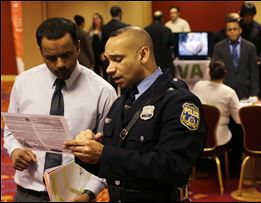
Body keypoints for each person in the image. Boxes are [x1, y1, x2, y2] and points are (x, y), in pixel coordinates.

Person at [64, 26, 207, 202]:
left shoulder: (178, 101)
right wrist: (87, 153)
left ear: (143, 55)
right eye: (108, 61)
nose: (109, 69)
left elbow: (172, 166)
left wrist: (104, 154)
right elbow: (114, 168)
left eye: (117, 59)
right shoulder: (120, 103)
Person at [3, 17, 117, 202]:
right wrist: (15, 150)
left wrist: (90, 193)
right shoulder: (24, 83)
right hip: (27, 191)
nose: (60, 64)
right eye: (51, 57)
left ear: (78, 47)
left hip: (76, 194)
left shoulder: (102, 91)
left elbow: (108, 150)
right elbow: (10, 130)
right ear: (41, 51)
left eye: (66, 55)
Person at [192, 58, 240, 146]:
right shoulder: (229, 92)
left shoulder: (198, 86)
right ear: (225, 73)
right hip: (219, 139)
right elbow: (238, 119)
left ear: (209, 72)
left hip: (197, 137)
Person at [213, 18, 258, 100]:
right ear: (226, 32)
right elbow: (215, 72)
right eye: (229, 30)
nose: (232, 32)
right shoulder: (218, 47)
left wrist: (254, 94)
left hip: (245, 90)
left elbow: (254, 72)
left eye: (235, 29)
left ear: (240, 30)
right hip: (225, 91)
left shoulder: (250, 47)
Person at [239, 2, 261, 98]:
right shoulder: (237, 27)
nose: (249, 18)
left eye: (251, 15)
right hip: (240, 65)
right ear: (242, 15)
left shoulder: (260, 28)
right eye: (246, 15)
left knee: (256, 91)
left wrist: (259, 59)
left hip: (255, 65)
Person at [101, 5, 129, 89]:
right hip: (122, 57)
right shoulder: (126, 26)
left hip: (108, 57)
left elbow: (103, 44)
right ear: (120, 14)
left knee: (111, 81)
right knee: (125, 80)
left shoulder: (104, 28)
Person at [145, 10, 176, 76]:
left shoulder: (146, 30)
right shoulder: (167, 30)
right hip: (166, 65)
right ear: (162, 19)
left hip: (151, 65)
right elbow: (172, 44)